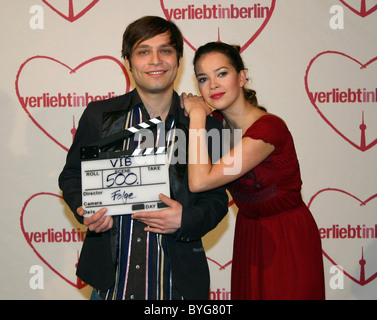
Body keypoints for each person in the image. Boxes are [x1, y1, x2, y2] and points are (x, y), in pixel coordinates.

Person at [58, 17, 228, 300]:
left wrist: (184, 220)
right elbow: (72, 176)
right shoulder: (99, 115)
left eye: (165, 50)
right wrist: (83, 207)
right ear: (128, 61)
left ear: (178, 59)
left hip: (177, 288)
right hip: (111, 286)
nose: (155, 60)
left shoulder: (208, 126)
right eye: (143, 51)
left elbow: (217, 201)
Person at [181, 42, 325, 300]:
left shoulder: (268, 130)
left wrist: (197, 117)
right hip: (249, 235)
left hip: (287, 237)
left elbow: (200, 181)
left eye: (222, 73)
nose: (213, 84)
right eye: (204, 78)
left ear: (242, 76)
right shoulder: (217, 129)